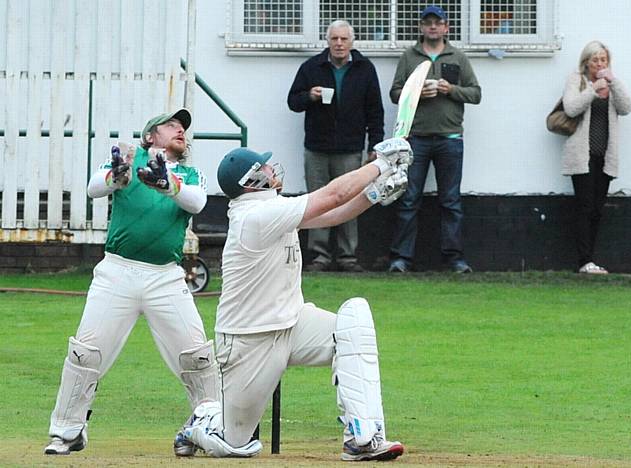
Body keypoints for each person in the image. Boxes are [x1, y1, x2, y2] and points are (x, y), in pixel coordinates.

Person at [178, 138, 412, 461]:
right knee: (234, 443)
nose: (272, 169)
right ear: (251, 181)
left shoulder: (273, 209)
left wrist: (376, 192)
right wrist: (381, 165)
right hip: (249, 342)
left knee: (354, 319)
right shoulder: (255, 216)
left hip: (294, 323)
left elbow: (334, 213)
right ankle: (203, 420)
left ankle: (363, 436)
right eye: (264, 166)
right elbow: (333, 195)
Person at [44, 109, 217, 456]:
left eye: (183, 127)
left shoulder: (189, 172)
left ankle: (210, 427)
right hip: (117, 271)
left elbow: (197, 203)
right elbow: (94, 188)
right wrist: (115, 177)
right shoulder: (127, 155)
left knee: (196, 355)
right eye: (172, 125)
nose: (181, 130)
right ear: (151, 135)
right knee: (85, 352)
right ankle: (67, 431)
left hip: (166, 277)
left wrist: (169, 184)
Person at [388, 5, 481, 274]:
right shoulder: (409, 56)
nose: (432, 27)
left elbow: (476, 94)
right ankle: (401, 259)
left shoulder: (458, 57)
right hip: (415, 137)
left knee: (450, 201)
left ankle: (454, 259)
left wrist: (450, 89)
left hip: (450, 138)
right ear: (421, 27)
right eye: (427, 22)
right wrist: (417, 93)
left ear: (446, 27)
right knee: (408, 199)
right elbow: (395, 93)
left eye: (437, 23)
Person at [288, 20, 385, 273]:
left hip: (351, 148)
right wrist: (310, 95)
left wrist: (374, 144)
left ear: (352, 42)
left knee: (351, 200)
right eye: (334, 39)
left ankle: (347, 256)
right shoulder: (311, 67)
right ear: (327, 41)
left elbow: (375, 110)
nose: (339, 44)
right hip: (317, 147)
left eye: (344, 39)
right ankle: (319, 256)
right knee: (316, 201)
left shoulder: (365, 69)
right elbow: (293, 101)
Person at [561, 41, 631, 274]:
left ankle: (590, 259)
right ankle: (584, 261)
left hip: (604, 155)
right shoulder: (577, 80)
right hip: (582, 156)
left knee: (596, 209)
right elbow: (570, 108)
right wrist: (593, 90)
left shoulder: (611, 85)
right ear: (586, 63)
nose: (600, 64)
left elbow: (627, 107)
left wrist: (613, 82)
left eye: (603, 59)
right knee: (584, 207)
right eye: (595, 60)